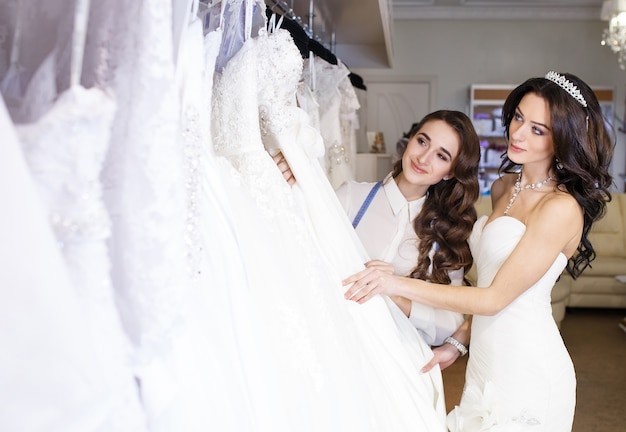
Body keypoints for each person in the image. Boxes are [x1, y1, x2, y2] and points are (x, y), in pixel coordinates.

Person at [343, 71, 614, 431]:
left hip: (528, 366)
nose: (517, 133)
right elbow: (492, 277)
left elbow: (495, 298)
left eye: (538, 129)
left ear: (563, 139)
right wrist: (457, 341)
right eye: (519, 117)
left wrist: (393, 284)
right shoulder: (504, 187)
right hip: (487, 363)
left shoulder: (560, 208)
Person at [335, 111, 480, 354]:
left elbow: (449, 322)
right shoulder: (350, 197)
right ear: (409, 141)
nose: (423, 158)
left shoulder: (446, 234)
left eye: (441, 156)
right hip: (338, 340)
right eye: (422, 141)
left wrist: (395, 290)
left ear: (450, 172)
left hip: (399, 357)